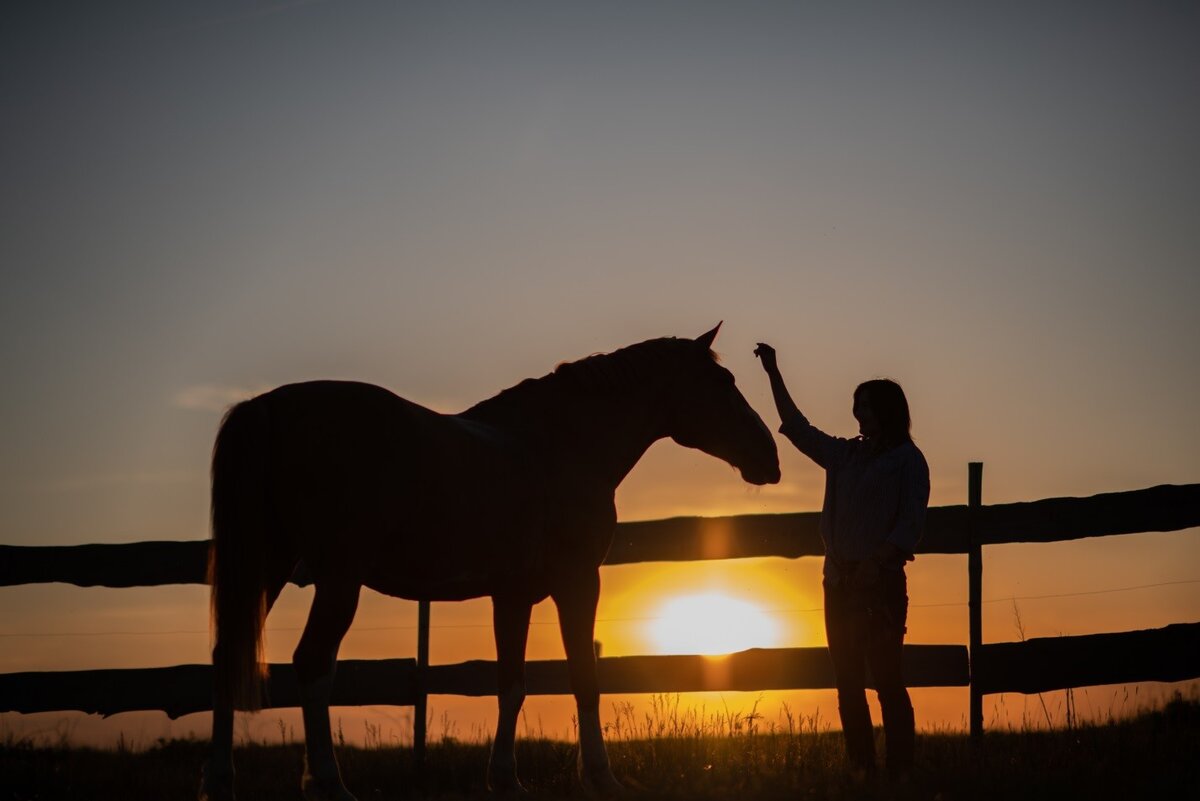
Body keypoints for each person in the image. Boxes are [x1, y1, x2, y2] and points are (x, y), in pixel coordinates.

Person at [754, 342, 929, 783]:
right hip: (838, 585)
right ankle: (862, 770)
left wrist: (877, 561)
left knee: (887, 681)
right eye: (857, 408)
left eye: (866, 408)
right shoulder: (845, 455)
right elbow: (797, 428)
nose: (859, 416)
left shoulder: (908, 461)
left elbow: (910, 523)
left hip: (881, 585)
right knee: (849, 685)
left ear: (887, 411)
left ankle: (900, 772)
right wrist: (774, 373)